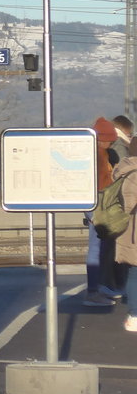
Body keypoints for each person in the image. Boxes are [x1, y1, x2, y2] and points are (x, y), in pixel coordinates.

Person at [84, 116, 123, 306]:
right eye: (109, 139)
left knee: (100, 247)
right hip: (98, 204)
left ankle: (98, 288)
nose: (111, 142)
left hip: (99, 204)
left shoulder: (102, 154)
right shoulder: (97, 156)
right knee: (96, 248)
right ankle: (93, 292)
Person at [111, 149, 137, 332]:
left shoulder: (125, 170)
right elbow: (129, 203)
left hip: (130, 230)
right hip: (134, 230)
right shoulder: (134, 174)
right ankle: (135, 315)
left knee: (134, 272)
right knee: (135, 273)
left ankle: (135, 315)